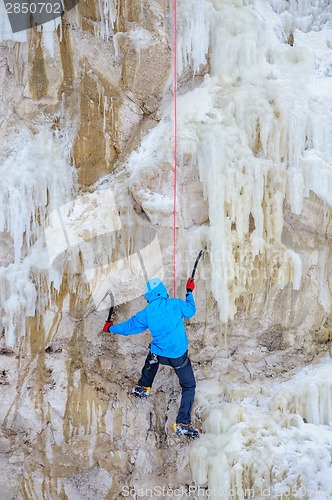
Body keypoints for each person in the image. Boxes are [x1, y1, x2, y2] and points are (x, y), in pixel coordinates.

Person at [103, 277, 199, 439]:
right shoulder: (175, 303)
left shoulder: (147, 313)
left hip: (160, 355)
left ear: (149, 297)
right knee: (189, 386)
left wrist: (111, 328)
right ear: (163, 292)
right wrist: (189, 291)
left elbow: (129, 327)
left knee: (152, 356)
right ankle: (183, 422)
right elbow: (190, 311)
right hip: (178, 356)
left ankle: (143, 387)